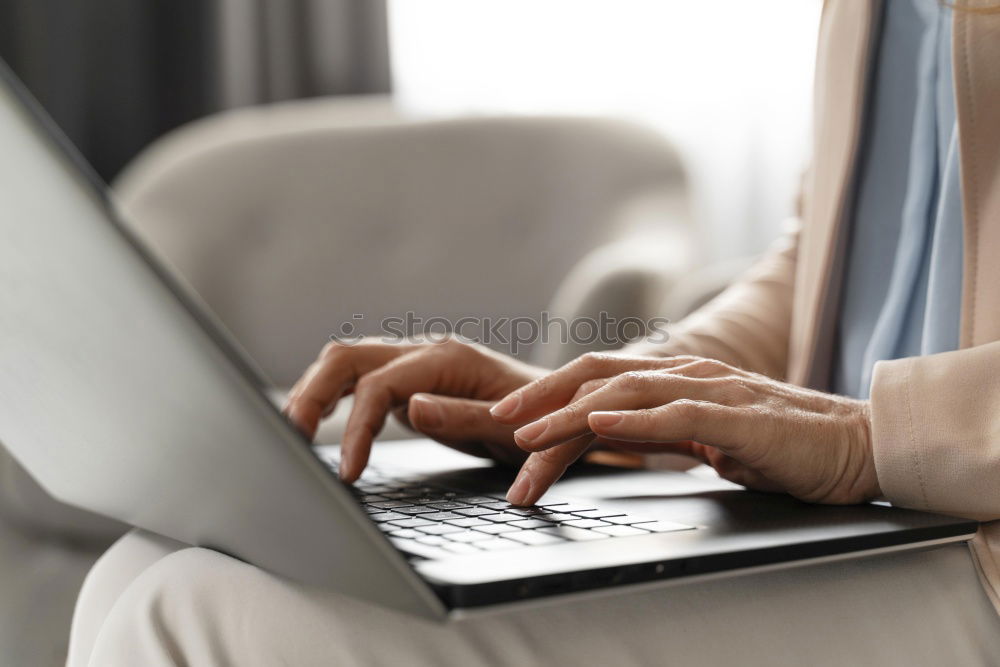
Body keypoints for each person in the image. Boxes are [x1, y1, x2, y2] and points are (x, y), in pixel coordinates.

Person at [67, 1, 1000, 665]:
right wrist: (608, 399)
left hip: (974, 552)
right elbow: (826, 261)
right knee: (141, 566)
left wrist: (871, 440)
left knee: (196, 613)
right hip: (845, 526)